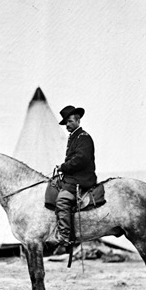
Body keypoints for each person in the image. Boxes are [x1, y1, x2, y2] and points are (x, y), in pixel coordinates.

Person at [54, 105, 97, 246]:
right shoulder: (74, 137)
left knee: (62, 200)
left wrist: (63, 167)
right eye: (66, 122)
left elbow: (81, 159)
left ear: (78, 121)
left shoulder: (83, 137)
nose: (67, 125)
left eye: (70, 122)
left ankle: (65, 236)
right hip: (73, 177)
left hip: (81, 178)